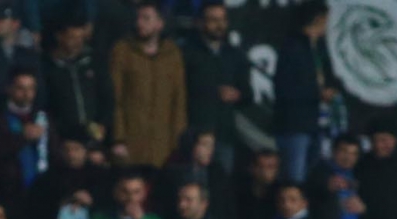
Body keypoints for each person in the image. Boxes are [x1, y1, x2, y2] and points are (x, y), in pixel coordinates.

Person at [109, 1, 186, 167]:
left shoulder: (172, 54)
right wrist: (118, 138)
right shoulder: (123, 50)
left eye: (146, 18)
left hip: (163, 145)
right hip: (131, 141)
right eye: (138, 18)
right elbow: (115, 97)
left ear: (160, 23)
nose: (140, 23)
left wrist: (178, 142)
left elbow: (179, 101)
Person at [181, 1, 252, 173]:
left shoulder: (235, 55)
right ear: (200, 22)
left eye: (222, 20)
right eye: (213, 20)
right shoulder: (187, 53)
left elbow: (248, 94)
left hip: (224, 133)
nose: (218, 25)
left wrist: (237, 95)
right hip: (194, 133)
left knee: (222, 185)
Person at [273, 1, 340, 183]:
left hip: (315, 124)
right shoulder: (292, 47)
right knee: (295, 179)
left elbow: (327, 76)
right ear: (318, 19)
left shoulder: (318, 47)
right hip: (294, 126)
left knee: (312, 177)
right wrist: (316, 93)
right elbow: (284, 88)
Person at [0, 69, 54, 219]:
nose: (26, 94)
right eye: (21, 88)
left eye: (31, 88)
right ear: (9, 89)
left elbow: (53, 150)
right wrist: (22, 138)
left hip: (41, 192)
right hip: (8, 193)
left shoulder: (42, 118)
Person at [42, 14, 110, 143]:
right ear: (59, 36)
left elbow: (106, 95)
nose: (78, 42)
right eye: (72, 37)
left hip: (93, 135)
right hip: (63, 138)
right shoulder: (48, 67)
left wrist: (103, 122)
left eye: (81, 38)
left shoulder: (93, 62)